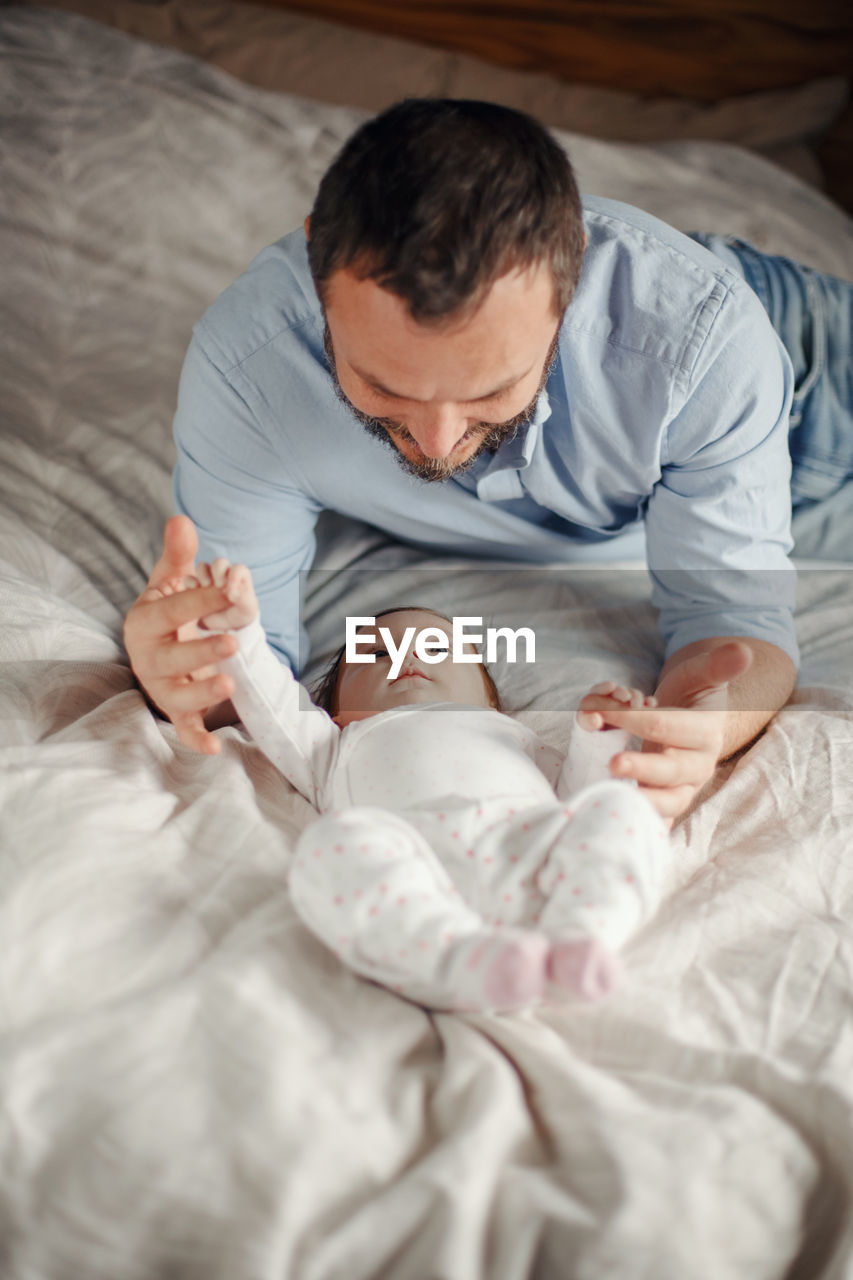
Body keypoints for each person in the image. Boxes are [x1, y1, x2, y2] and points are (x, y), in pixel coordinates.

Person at [123, 98, 853, 823]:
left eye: (490, 391)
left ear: (570, 286)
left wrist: (711, 724)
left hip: (816, 397)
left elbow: (730, 619)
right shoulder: (249, 366)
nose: (436, 445)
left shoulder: (706, 344)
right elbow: (249, 660)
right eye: (383, 386)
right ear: (317, 273)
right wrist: (185, 676)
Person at [157, 555, 670, 1012]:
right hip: (415, 868)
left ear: (489, 697)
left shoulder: (514, 737)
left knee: (622, 812)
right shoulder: (334, 744)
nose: (406, 658)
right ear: (334, 710)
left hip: (533, 854)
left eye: (435, 648)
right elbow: (268, 699)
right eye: (376, 654)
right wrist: (241, 635)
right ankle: (459, 958)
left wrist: (599, 736)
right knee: (331, 849)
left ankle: (582, 936)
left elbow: (579, 800)